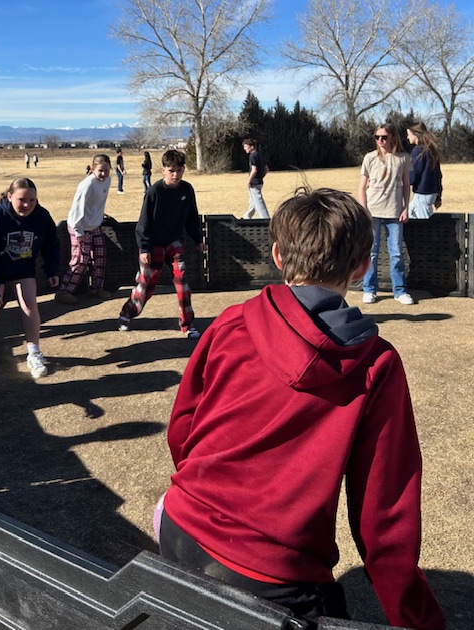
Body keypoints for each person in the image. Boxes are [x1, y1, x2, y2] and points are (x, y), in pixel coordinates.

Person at [159, 187, 445, 629]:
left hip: (178, 525)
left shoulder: (230, 322)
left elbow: (182, 429)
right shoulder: (376, 365)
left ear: (276, 254)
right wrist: (419, 620)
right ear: (364, 265)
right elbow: (384, 518)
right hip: (277, 577)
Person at [0, 178, 59, 379]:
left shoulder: (42, 217)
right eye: (21, 199)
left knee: (29, 304)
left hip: (21, 267)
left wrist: (52, 271)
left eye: (32, 200)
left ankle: (34, 352)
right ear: (10, 197)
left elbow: (50, 244)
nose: (27, 205)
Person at [118, 149, 206, 339]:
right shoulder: (154, 191)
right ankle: (127, 313)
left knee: (183, 284)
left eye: (180, 170)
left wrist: (198, 239)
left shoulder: (187, 190)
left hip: (175, 243)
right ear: (163, 170)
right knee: (146, 286)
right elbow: (143, 222)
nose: (176, 175)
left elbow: (192, 217)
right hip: (153, 244)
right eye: (171, 170)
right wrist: (144, 248)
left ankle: (187, 324)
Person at [358, 123, 413, 305]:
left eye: (384, 137)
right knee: (371, 253)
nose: (380, 141)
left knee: (396, 253)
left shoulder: (403, 158)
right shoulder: (370, 158)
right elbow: (362, 187)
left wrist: (406, 207)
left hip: (395, 211)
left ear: (392, 138)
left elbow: (406, 185)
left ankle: (400, 290)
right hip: (373, 211)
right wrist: (363, 209)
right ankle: (369, 289)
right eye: (377, 137)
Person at [55, 155, 112, 305]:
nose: (104, 173)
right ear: (93, 169)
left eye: (106, 170)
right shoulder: (87, 185)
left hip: (95, 225)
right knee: (80, 260)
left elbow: (97, 204)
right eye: (100, 170)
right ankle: (64, 291)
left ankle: (96, 288)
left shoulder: (107, 180)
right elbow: (77, 207)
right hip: (79, 226)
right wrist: (78, 230)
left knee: (101, 256)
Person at [407, 122, 443, 220]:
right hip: (431, 192)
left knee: (425, 222)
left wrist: (405, 181)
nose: (407, 137)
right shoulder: (432, 150)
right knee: (411, 213)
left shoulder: (418, 151)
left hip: (423, 192)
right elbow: (438, 175)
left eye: (409, 134)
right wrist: (438, 195)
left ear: (416, 134)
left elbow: (415, 172)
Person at [241, 138, 269, 219]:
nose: (245, 148)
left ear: (251, 146)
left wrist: (249, 181)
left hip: (254, 183)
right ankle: (247, 216)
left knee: (258, 201)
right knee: (253, 201)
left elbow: (254, 169)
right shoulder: (259, 154)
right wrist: (261, 177)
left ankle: (265, 218)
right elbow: (266, 168)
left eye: (246, 146)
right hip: (259, 182)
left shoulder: (252, 156)